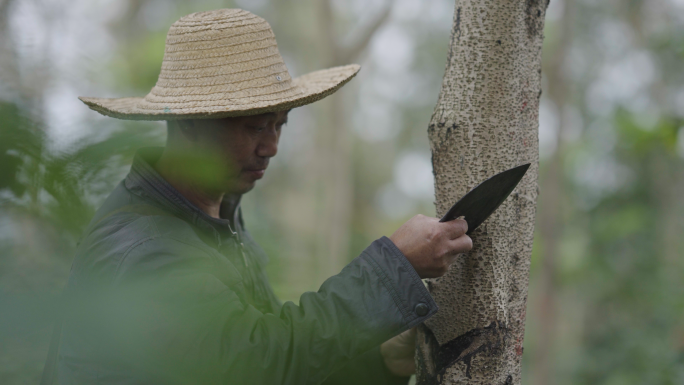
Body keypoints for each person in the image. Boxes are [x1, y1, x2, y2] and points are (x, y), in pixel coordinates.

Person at [42, 9, 472, 385]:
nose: (271, 147)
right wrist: (392, 271)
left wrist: (382, 361)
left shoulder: (213, 218)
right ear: (190, 123)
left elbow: (274, 359)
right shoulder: (148, 250)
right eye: (254, 128)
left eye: (279, 125)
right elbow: (258, 365)